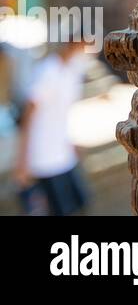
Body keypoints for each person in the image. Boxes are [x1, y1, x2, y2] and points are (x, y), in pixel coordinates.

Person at [14, 40, 89, 216]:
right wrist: (23, 160)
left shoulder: (72, 71)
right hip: (43, 158)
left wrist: (70, 141)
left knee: (80, 204)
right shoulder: (47, 71)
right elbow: (28, 116)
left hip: (64, 155)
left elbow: (60, 113)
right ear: (73, 44)